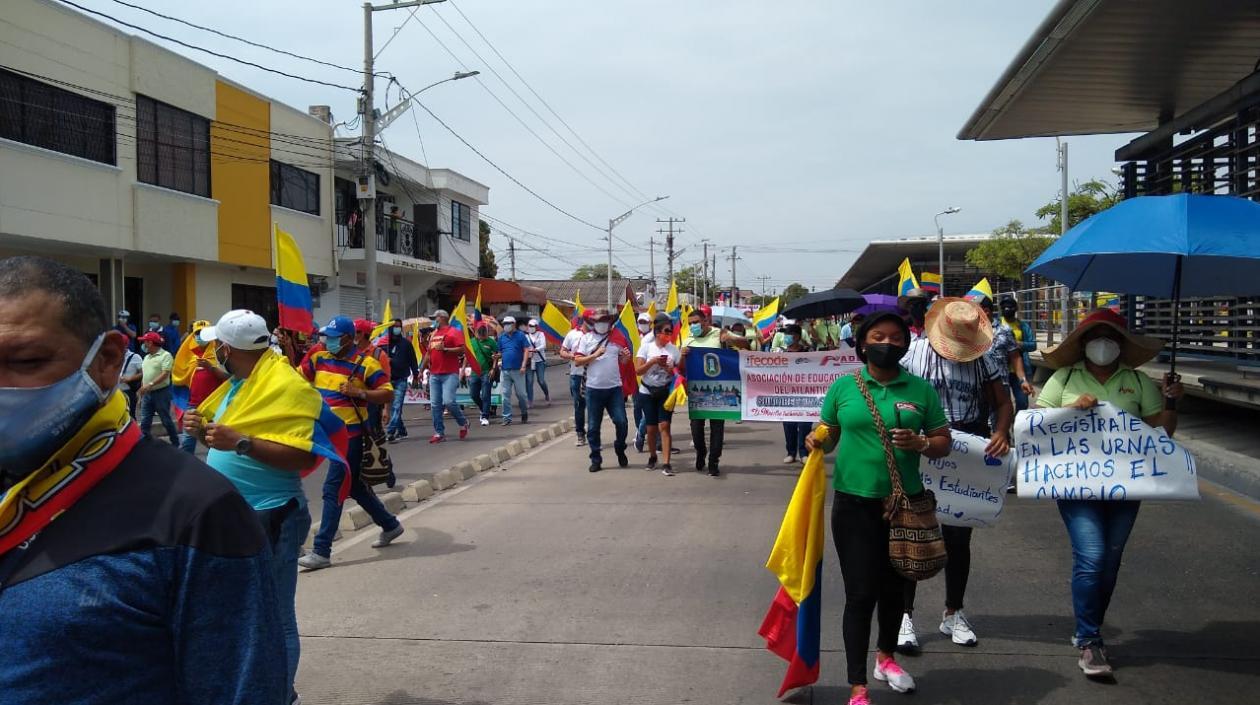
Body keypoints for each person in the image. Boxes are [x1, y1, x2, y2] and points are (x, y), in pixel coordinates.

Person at [0, 256, 285, 704]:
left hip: (273, 508)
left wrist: (242, 444)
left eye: (26, 361)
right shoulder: (215, 376)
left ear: (108, 359)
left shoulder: (195, 513)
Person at [806, 310, 952, 705]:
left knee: (896, 590)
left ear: (906, 345)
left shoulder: (920, 389)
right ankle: (858, 686)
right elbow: (830, 432)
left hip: (905, 505)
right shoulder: (844, 387)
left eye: (896, 338)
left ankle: (886, 659)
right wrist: (817, 439)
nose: (887, 343)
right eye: (878, 336)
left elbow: (943, 441)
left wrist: (922, 444)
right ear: (863, 343)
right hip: (854, 506)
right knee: (860, 594)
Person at [183, 310, 321, 703]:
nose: (214, 353)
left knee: (275, 617)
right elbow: (227, 442)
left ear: (227, 348)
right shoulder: (240, 385)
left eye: (216, 347)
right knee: (244, 614)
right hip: (238, 515)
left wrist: (240, 442)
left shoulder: (284, 385)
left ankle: (280, 696)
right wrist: (203, 432)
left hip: (273, 513)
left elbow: (299, 455)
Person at [1036, 308, 1182, 679]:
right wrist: (1071, 407)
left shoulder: (1138, 382)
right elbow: (1036, 423)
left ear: (1122, 344)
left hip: (1125, 485)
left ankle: (1090, 629)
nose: (1104, 345)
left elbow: (1162, 434)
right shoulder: (1064, 378)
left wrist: (1171, 401)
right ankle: (1089, 640)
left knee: (1110, 562)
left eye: (1112, 338)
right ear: (1083, 344)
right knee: (1092, 556)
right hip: (1076, 484)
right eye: (1096, 337)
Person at [898, 297, 1012, 652]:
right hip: (921, 448)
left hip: (963, 452)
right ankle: (903, 616)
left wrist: (1001, 431)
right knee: (912, 533)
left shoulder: (985, 358)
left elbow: (1002, 402)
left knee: (958, 540)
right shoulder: (912, 354)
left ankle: (954, 612)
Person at [299, 316, 403, 570]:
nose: (328, 341)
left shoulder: (366, 364)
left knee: (333, 489)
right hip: (327, 434)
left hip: (352, 437)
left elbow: (387, 392)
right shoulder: (318, 358)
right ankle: (390, 525)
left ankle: (322, 550)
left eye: (333, 337)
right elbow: (298, 380)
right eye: (326, 336)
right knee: (354, 487)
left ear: (347, 338)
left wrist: (360, 393)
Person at [681, 306, 748, 476]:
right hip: (697, 391)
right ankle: (701, 452)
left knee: (717, 428)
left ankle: (713, 461)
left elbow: (745, 346)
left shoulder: (719, 334)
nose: (693, 326)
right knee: (696, 428)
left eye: (696, 322)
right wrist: (682, 355)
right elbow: (681, 368)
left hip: (720, 389)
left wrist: (730, 338)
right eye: (690, 323)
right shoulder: (687, 339)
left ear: (705, 321)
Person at [574, 309, 632, 472]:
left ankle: (620, 448)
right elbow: (578, 361)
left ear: (610, 322)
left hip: (614, 388)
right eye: (598, 321)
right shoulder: (586, 339)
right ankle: (596, 459)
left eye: (605, 321)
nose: (602, 324)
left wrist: (625, 358)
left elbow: (624, 360)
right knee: (593, 427)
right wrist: (595, 355)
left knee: (621, 422)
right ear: (593, 323)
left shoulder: (617, 338)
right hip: (594, 389)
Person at [635, 314, 679, 476]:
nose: (669, 334)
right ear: (657, 332)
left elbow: (680, 373)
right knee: (651, 428)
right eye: (666, 331)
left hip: (665, 392)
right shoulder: (646, 348)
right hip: (647, 392)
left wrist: (669, 369)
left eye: (670, 331)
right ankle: (653, 456)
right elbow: (638, 371)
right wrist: (653, 361)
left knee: (665, 426)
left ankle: (666, 463)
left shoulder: (673, 350)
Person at [178, 320, 230, 454]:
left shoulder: (219, 353)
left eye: (204, 333)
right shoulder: (188, 354)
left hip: (214, 405)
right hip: (193, 404)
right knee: (188, 439)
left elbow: (229, 378)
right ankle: (185, 468)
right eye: (197, 333)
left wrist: (210, 368)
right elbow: (180, 376)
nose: (200, 336)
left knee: (214, 439)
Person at [426, 308, 471, 442]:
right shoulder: (434, 334)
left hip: (449, 373)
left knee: (449, 401)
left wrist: (445, 349)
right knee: (435, 404)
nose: (434, 321)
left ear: (443, 318)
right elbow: (429, 353)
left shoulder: (453, 332)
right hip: (434, 374)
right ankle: (439, 433)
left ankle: (463, 423)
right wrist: (420, 370)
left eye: (436, 318)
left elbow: (462, 349)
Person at [772, 323, 813, 463]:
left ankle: (804, 453)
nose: (787, 337)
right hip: (786, 393)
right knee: (789, 424)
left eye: (790, 334)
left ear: (797, 337)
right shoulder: (780, 353)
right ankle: (791, 452)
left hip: (805, 393)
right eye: (786, 335)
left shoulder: (808, 352)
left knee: (805, 424)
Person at [136, 331, 179, 444]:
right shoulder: (146, 358)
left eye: (145, 342)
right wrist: (142, 392)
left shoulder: (165, 356)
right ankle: (145, 443)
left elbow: (165, 374)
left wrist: (150, 385)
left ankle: (175, 442)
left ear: (150, 343)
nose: (143, 344)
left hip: (161, 393)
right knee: (145, 420)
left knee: (166, 420)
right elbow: (145, 376)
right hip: (147, 394)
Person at [354, 318, 391, 437]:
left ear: (363, 334)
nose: (353, 335)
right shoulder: (348, 353)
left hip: (372, 404)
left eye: (356, 332)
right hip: (352, 402)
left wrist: (386, 409)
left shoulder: (379, 355)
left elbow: (386, 386)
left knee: (373, 438)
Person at [385, 318, 420, 443]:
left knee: (396, 406)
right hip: (387, 380)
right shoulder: (384, 345)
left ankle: (390, 432)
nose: (397, 328)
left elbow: (413, 360)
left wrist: (416, 375)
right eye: (394, 326)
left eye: (399, 326)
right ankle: (402, 430)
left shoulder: (406, 344)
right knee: (393, 408)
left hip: (401, 379)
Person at [999, 296, 1037, 411]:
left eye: (1010, 306)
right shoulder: (996, 325)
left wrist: (1018, 344)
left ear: (1015, 309)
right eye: (1004, 306)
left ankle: (1017, 424)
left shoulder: (1023, 326)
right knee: (1002, 404)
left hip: (1019, 372)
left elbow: (1033, 345)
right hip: (1001, 371)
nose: (1007, 309)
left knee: (1022, 402)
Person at [559, 314, 589, 446]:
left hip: (591, 375)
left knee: (593, 406)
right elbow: (562, 351)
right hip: (576, 374)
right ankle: (580, 434)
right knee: (579, 405)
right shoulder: (572, 334)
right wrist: (571, 355)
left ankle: (594, 434)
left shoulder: (595, 336)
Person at [497, 315, 531, 426]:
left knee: (521, 394)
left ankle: (524, 412)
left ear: (513, 324)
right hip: (505, 370)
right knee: (505, 394)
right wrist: (496, 356)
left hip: (518, 370)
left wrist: (523, 365)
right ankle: (506, 418)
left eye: (508, 324)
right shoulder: (502, 337)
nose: (505, 326)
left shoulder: (521, 336)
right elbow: (500, 352)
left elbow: (526, 350)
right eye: (504, 324)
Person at [468, 322, 499, 426]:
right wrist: (463, 369)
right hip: (474, 373)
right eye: (480, 332)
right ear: (476, 332)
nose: (482, 334)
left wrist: (493, 369)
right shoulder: (472, 342)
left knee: (486, 395)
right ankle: (483, 408)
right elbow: (468, 356)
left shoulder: (491, 342)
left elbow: (496, 356)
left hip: (487, 372)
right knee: (473, 394)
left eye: (483, 332)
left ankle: (485, 416)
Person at [524, 318, 550, 407]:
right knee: (529, 381)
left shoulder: (540, 334)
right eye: (529, 326)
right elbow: (524, 346)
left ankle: (547, 395)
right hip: (530, 361)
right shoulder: (526, 336)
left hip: (540, 361)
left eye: (532, 326)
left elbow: (544, 345)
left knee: (541, 380)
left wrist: (535, 349)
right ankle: (530, 400)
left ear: (536, 327)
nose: (531, 327)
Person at [118, 344, 143, 417]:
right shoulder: (113, 356)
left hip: (128, 390)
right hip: (116, 391)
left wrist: (129, 378)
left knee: (130, 415)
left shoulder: (135, 357)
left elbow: (143, 373)